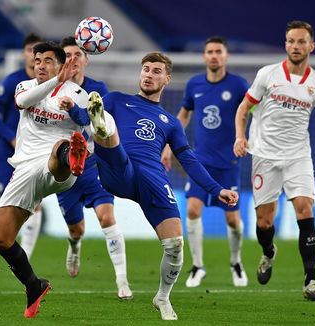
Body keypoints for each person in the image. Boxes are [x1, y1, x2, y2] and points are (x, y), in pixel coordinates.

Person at [64, 52, 239, 320]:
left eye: (156, 71)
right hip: (117, 171)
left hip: (152, 179)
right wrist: (74, 109)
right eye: (145, 69)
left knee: (175, 245)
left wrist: (216, 189)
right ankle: (103, 126)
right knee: (107, 135)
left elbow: (189, 160)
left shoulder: (171, 123)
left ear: (167, 79)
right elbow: (82, 119)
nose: (149, 74)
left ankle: (162, 297)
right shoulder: (116, 100)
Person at [233, 20, 315, 301]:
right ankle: (269, 253)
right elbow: (244, 108)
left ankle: (311, 281)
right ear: (286, 44)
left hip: (298, 157)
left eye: (301, 41)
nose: (296, 46)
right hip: (265, 157)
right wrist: (240, 137)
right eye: (291, 41)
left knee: (305, 212)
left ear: (311, 46)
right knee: (264, 221)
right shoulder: (267, 75)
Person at [0, 41, 90, 319]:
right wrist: (57, 80)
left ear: (60, 63)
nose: (40, 65)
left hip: (61, 169)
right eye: (38, 60)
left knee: (60, 146)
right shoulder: (25, 86)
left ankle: (71, 156)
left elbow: (87, 124)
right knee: (1, 238)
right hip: (24, 169)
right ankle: (34, 286)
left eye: (48, 60)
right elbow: (22, 103)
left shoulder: (78, 94)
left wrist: (74, 111)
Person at [161, 36, 249, 288]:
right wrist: (168, 144)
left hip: (228, 164)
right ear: (204, 56)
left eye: (218, 52)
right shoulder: (194, 84)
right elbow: (184, 113)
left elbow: (250, 111)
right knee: (192, 210)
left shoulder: (238, 85)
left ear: (226, 56)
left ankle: (236, 262)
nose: (213, 56)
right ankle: (198, 266)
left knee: (232, 220)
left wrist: (245, 137)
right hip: (200, 163)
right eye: (209, 51)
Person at [56, 36, 132, 300]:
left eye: (78, 54)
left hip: (93, 166)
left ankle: (122, 281)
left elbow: (102, 125)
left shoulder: (98, 89)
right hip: (64, 171)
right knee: (76, 229)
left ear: (87, 58)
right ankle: (74, 246)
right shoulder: (52, 90)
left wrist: (83, 128)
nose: (73, 59)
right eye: (67, 55)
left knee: (107, 218)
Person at [0, 33, 43, 260]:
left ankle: (27, 255)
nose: (34, 55)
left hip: (33, 153)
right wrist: (11, 137)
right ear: (24, 54)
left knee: (34, 204)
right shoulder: (11, 81)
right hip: (8, 151)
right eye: (30, 50)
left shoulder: (48, 86)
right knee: (8, 202)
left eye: (38, 51)